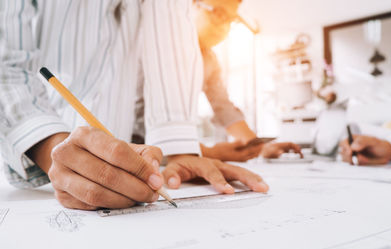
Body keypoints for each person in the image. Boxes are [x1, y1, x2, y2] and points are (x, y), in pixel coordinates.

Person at [0, 0, 268, 210]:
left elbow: (169, 23)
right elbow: (7, 68)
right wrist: (51, 147)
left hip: (123, 181)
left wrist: (180, 149)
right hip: (41, 172)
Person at [193, 0, 302, 162]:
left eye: (231, 20)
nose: (224, 28)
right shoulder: (158, 45)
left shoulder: (210, 60)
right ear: (191, 6)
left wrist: (259, 147)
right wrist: (207, 153)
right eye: (219, 14)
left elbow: (224, 109)